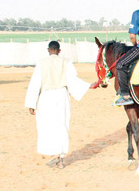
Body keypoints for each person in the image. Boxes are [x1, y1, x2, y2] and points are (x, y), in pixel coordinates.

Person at [25, 41, 94, 169]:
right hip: (61, 96)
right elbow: (73, 80)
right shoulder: (66, 62)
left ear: (48, 50)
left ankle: (55, 155)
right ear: (59, 50)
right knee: (62, 125)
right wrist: (88, 85)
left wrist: (32, 104)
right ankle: (60, 159)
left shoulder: (41, 63)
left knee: (48, 126)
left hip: (46, 97)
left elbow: (35, 84)